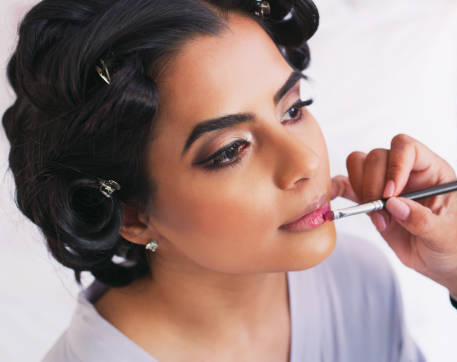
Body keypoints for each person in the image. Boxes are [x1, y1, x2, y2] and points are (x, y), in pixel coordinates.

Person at [3, 0, 428, 361]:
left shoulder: (358, 278)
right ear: (132, 214)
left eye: (293, 110)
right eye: (230, 150)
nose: (306, 161)